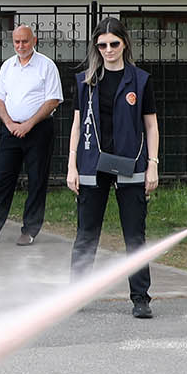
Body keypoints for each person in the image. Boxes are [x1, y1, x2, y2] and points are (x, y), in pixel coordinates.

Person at [66, 17, 160, 318]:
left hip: (130, 163)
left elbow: (151, 125)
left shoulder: (141, 80)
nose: (108, 50)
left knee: (135, 235)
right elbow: (77, 125)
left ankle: (140, 298)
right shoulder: (85, 81)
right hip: (92, 164)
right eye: (103, 44)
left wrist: (153, 165)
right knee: (86, 233)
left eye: (114, 44)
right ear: (96, 46)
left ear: (124, 44)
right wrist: (72, 165)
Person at [0, 25, 62, 246]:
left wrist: (29, 124)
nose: (20, 46)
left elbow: (52, 100)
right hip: (10, 130)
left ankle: (30, 230)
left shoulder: (46, 66)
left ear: (34, 40)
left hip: (39, 130)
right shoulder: (8, 66)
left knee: (36, 180)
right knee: (3, 180)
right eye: (16, 42)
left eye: (24, 41)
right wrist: (8, 123)